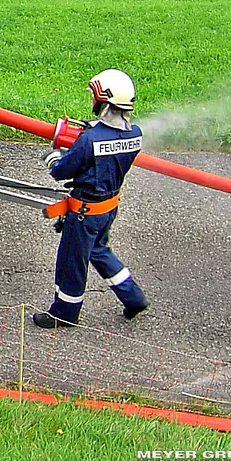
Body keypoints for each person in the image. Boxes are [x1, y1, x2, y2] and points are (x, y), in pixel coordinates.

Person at [32, 69, 149, 329]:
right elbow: (110, 138)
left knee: (71, 261)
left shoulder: (89, 141)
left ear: (102, 102)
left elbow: (62, 171)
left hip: (84, 212)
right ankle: (133, 297)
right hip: (108, 208)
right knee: (99, 250)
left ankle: (64, 312)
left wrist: (53, 157)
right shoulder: (135, 134)